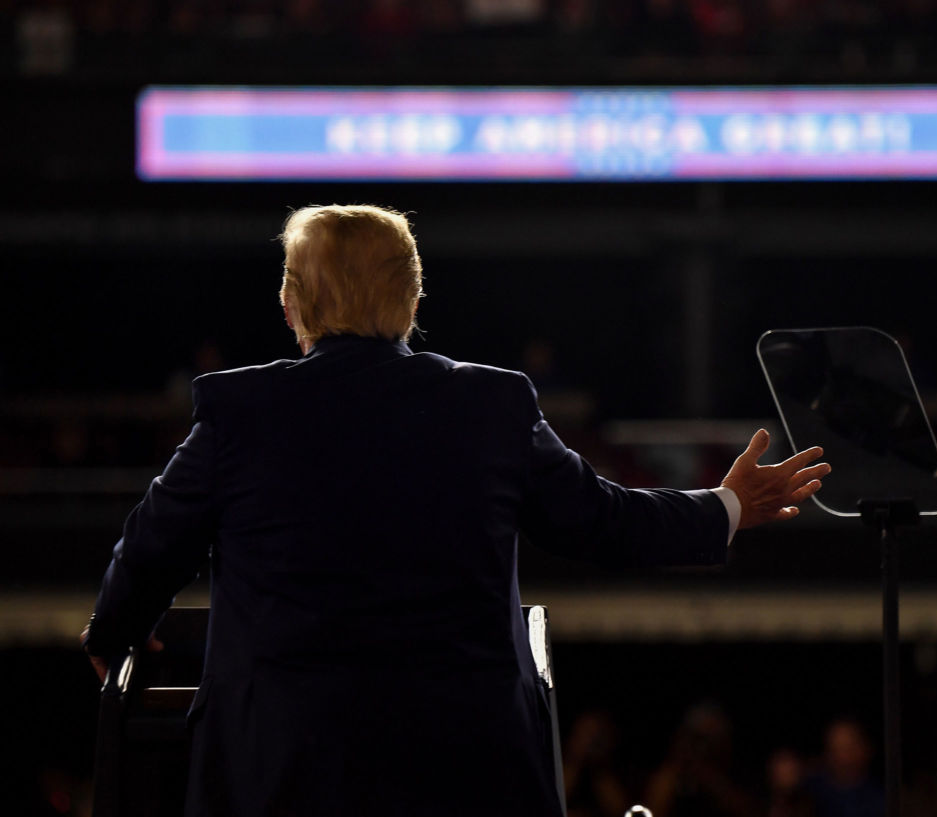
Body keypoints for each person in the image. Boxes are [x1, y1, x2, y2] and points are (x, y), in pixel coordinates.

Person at [81, 204, 831, 817]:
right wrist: (727, 504)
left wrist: (114, 634)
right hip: (467, 776)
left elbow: (151, 546)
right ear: (411, 299)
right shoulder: (492, 404)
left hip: (281, 773)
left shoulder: (238, 411)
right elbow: (604, 522)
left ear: (292, 302)